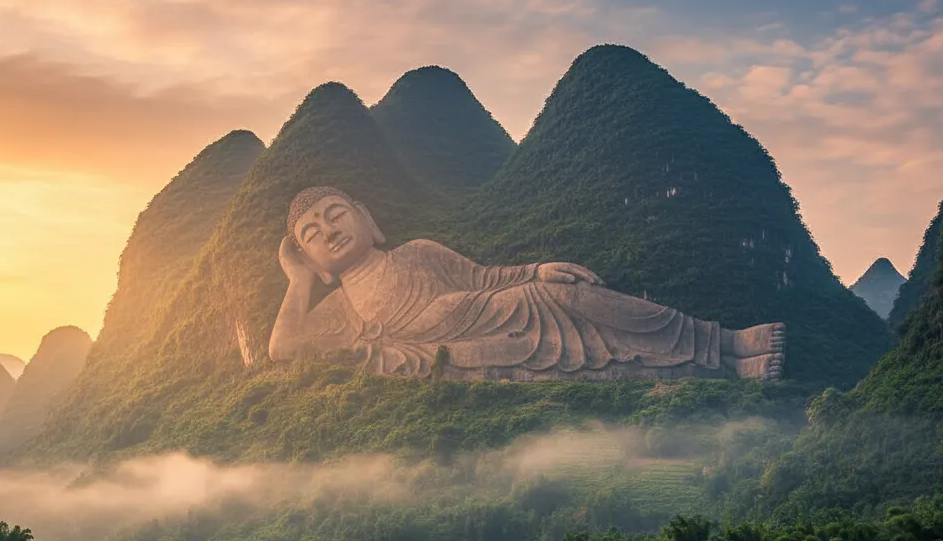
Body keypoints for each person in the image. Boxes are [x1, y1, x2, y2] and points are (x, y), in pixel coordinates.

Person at [269, 186, 785, 381]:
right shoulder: (338, 311)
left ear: (366, 217)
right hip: (454, 348)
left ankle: (725, 341)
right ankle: (728, 370)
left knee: (571, 291)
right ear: (316, 262)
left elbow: (484, 278)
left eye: (335, 214)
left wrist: (536, 271)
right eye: (312, 234)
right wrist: (298, 281)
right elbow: (284, 350)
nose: (330, 231)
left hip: (506, 305)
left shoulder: (418, 252)